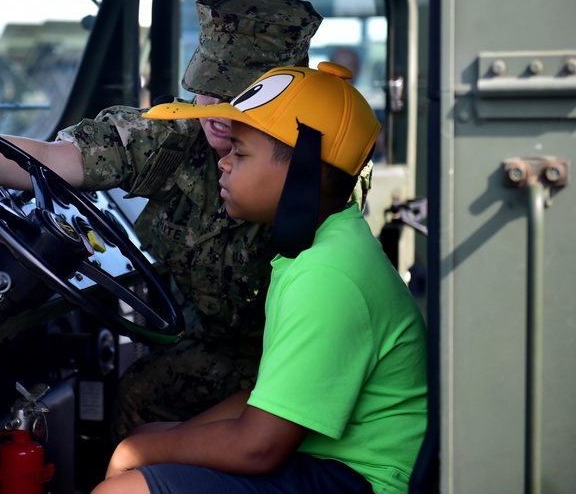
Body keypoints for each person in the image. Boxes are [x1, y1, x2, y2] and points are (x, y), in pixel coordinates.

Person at [0, 0, 331, 439]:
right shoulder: (171, 138)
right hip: (215, 344)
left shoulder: (320, 163)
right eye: (209, 88)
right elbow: (55, 160)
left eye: (241, 96)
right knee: (139, 393)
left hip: (293, 354)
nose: (218, 111)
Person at [91, 62, 427, 494]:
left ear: (303, 168)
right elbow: (265, 399)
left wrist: (141, 452)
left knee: (123, 490)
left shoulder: (327, 274)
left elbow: (258, 447)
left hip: (362, 480)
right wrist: (158, 439)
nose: (223, 165)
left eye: (240, 153)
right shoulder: (317, 247)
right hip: (331, 463)